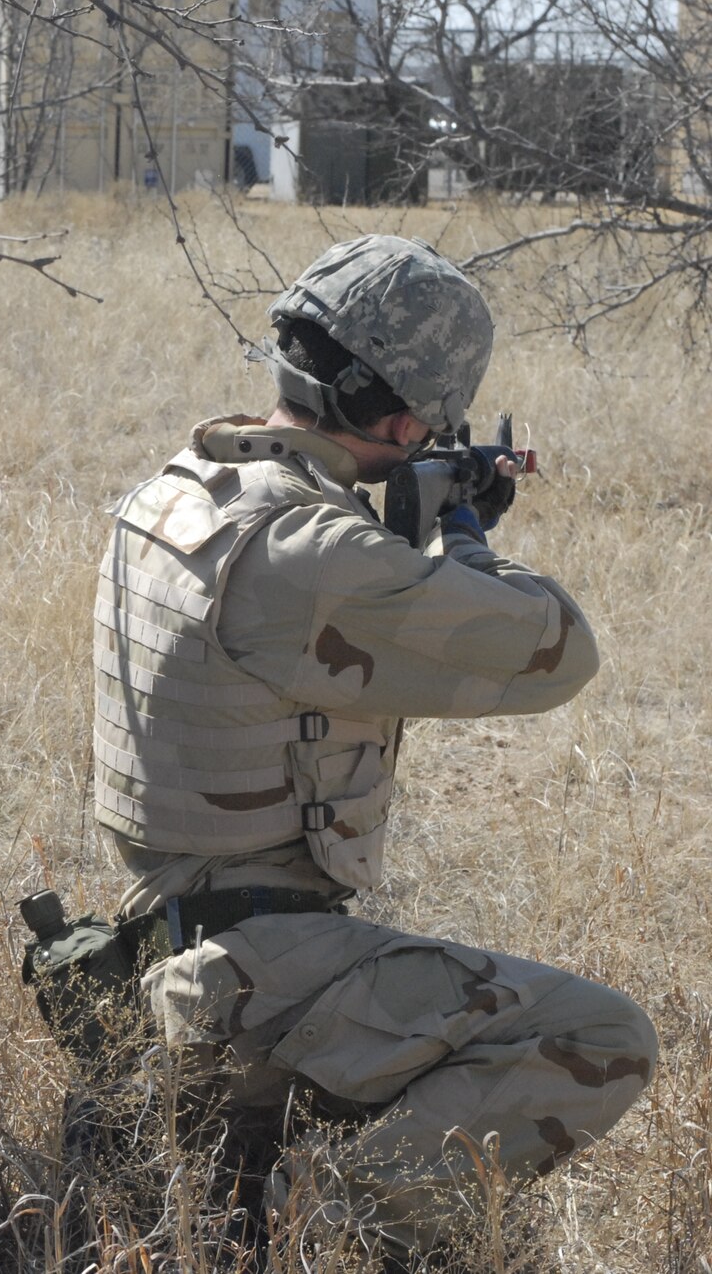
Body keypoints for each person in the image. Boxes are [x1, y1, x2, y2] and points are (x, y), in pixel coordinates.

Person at [87, 235, 656, 1258]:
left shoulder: (168, 495)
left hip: (152, 933)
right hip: (253, 970)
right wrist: (466, 532)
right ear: (401, 420)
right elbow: (553, 650)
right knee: (601, 1035)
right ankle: (324, 1225)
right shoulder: (312, 554)